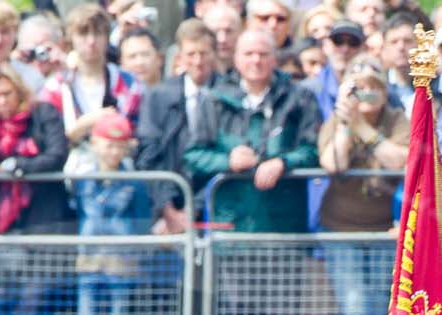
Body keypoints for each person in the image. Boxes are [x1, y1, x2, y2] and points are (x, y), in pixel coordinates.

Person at [319, 57, 408, 315]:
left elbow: (400, 158)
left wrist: (364, 130)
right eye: (360, 88)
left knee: (380, 306)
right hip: (341, 228)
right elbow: (332, 163)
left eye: (374, 87)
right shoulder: (337, 121)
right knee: (355, 306)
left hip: (385, 228)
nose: (367, 95)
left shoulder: (398, 120)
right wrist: (346, 122)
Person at [183, 27, 321, 233]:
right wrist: (228, 161)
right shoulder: (214, 100)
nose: (256, 60)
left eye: (263, 54)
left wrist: (283, 163)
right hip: (232, 227)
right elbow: (193, 155)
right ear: (236, 59)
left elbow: (312, 150)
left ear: (275, 59)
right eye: (249, 54)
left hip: (284, 226)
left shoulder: (300, 98)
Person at [72, 111, 156, 315]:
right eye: (109, 144)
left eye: (120, 146)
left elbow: (142, 216)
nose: (114, 152)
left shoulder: (134, 181)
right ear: (96, 144)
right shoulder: (83, 179)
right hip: (90, 261)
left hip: (122, 262)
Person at [136, 17, 218, 231]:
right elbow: (149, 155)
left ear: (214, 55)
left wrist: (197, 208)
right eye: (191, 54)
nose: (198, 61)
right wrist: (168, 208)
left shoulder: (228, 92)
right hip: (169, 208)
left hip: (216, 203)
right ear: (180, 57)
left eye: (204, 53)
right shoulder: (159, 96)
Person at [0, 69, 72, 232]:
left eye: (7, 94)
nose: (2, 101)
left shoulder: (42, 113)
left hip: (44, 217)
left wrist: (13, 165)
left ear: (19, 92)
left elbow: (56, 156)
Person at [44, 3, 145, 150]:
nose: (91, 41)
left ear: (107, 37)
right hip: (73, 167)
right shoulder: (56, 87)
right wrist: (85, 123)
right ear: (71, 38)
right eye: (83, 33)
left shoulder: (129, 82)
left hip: (120, 167)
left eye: (98, 33)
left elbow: (139, 132)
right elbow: (50, 140)